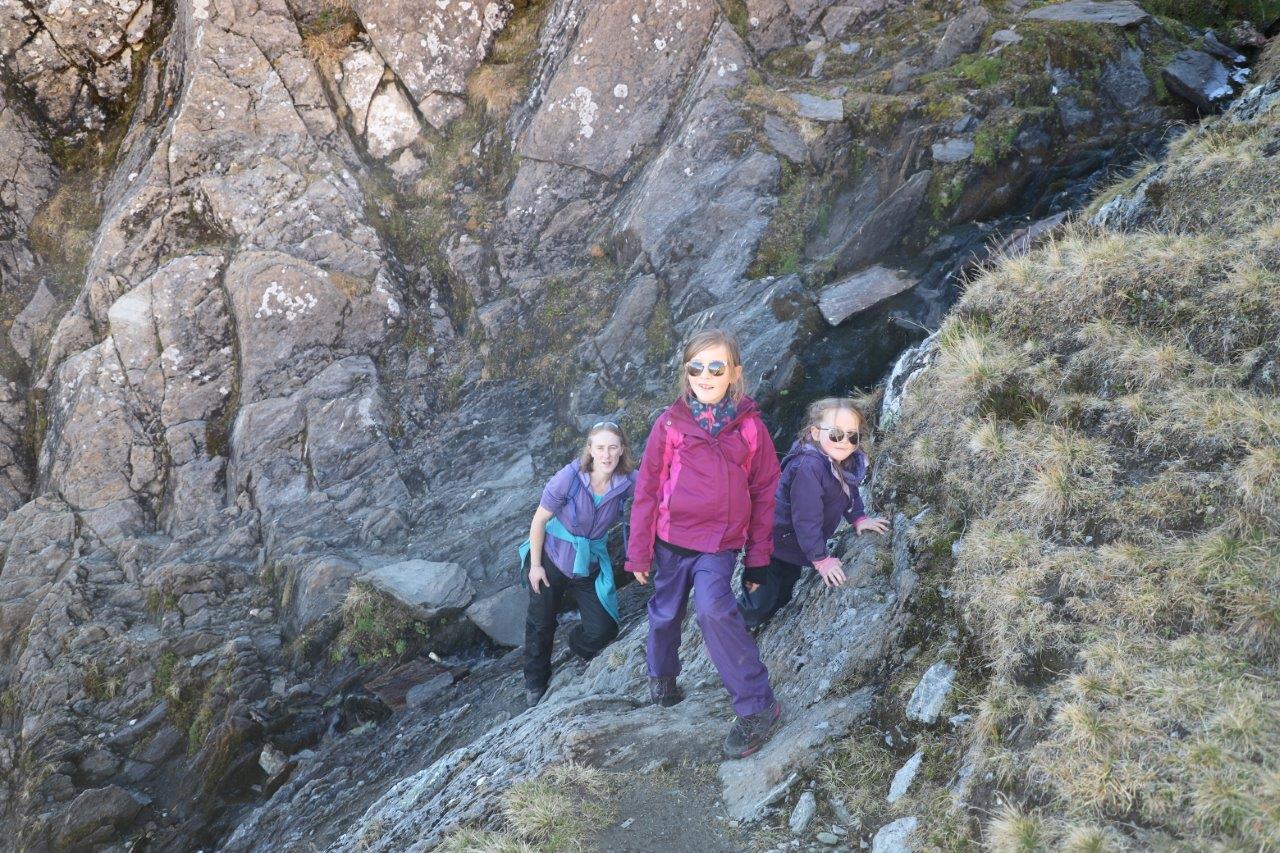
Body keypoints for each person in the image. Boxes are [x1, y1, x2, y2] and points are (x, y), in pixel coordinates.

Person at [625, 328, 784, 759]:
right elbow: (647, 489)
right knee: (664, 614)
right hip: (671, 541)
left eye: (717, 367)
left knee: (714, 610)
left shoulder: (750, 428)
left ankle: (758, 706)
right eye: (696, 368)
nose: (706, 376)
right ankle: (662, 676)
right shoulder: (670, 424)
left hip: (718, 545)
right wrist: (638, 551)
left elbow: (765, 492)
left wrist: (757, 559)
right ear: (686, 373)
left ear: (735, 373)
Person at [739, 397, 890, 630]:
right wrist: (821, 560)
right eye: (836, 434)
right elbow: (805, 519)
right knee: (758, 602)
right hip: (770, 542)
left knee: (782, 596)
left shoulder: (844, 458)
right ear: (816, 433)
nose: (845, 442)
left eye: (852, 436)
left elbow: (849, 488)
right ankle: (725, 627)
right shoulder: (808, 468)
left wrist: (858, 517)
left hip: (794, 546)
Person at [520, 422, 636, 708]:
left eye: (613, 448)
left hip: (588, 563)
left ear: (622, 450)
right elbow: (539, 520)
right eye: (600, 448)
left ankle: (576, 644)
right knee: (541, 621)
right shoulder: (569, 478)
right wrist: (535, 566)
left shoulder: (628, 481)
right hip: (552, 556)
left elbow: (660, 489)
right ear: (590, 450)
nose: (607, 454)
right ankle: (535, 682)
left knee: (604, 630)